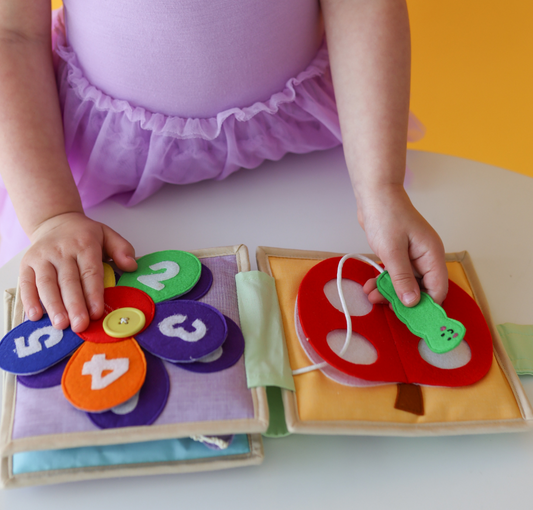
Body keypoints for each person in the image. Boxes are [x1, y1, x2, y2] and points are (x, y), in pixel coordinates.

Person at [0, 0, 448, 333]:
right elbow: (12, 34)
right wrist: (52, 216)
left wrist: (380, 186)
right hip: (94, 168)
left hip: (302, 132)